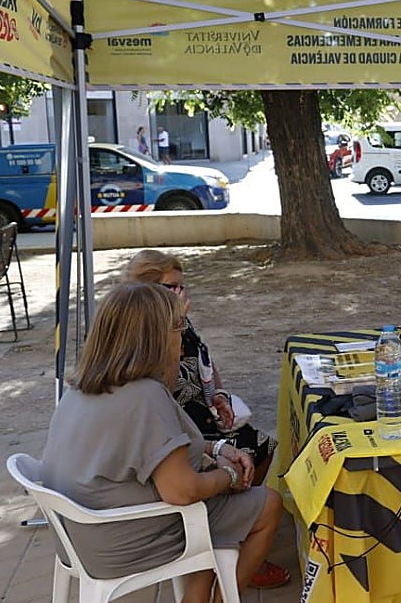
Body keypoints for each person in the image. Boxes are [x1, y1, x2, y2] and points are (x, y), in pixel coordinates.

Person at [40, 282, 282, 601]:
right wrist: (231, 477)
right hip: (123, 541)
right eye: (178, 329)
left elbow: (152, 451)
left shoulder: (82, 389)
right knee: (266, 504)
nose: (182, 344)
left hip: (81, 535)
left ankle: (194, 597)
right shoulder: (144, 396)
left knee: (211, 509)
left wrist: (216, 450)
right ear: (154, 339)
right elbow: (182, 490)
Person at [122, 249, 291, 590]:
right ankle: (234, 533)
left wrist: (219, 396)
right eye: (172, 288)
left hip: (199, 418)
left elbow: (207, 367)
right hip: (181, 426)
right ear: (147, 292)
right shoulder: (147, 337)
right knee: (244, 460)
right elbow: (161, 399)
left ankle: (237, 530)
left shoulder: (180, 324)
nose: (181, 295)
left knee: (262, 445)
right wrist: (225, 472)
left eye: (181, 287)